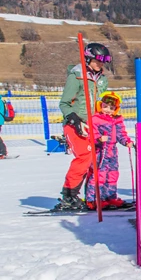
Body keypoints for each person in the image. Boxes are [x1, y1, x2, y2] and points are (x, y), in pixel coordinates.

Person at [56, 42, 111, 211]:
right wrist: (74, 118)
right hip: (77, 124)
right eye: (97, 61)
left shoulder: (102, 80)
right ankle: (69, 195)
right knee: (84, 157)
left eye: (102, 62)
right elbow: (64, 103)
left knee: (96, 161)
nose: (100, 64)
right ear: (88, 58)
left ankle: (92, 195)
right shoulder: (77, 76)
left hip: (94, 125)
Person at [86, 91, 132, 209]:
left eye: (111, 108)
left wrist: (126, 141)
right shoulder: (96, 119)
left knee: (112, 174)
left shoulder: (117, 120)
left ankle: (110, 197)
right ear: (100, 105)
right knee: (100, 175)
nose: (108, 110)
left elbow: (121, 134)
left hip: (112, 151)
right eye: (105, 106)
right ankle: (93, 199)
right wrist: (99, 139)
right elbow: (91, 133)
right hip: (101, 151)